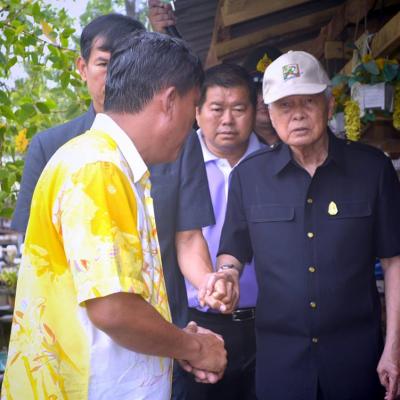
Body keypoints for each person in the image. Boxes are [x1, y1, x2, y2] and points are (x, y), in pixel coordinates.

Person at [10, 13, 238, 399]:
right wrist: (194, 347)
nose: (195, 126)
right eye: (194, 106)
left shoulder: (105, 160)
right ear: (170, 101)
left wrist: (176, 339)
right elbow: (113, 310)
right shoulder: (99, 168)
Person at [217, 50, 400, 400]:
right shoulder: (248, 177)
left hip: (357, 360)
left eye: (308, 101)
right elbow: (233, 251)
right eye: (285, 105)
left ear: (329, 106)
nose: (297, 114)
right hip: (281, 364)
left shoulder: (372, 170)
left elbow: (394, 261)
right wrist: (226, 275)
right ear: (269, 113)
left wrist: (394, 346)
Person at [180, 63, 264, 399]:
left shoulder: (276, 165)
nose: (227, 120)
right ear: (197, 112)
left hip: (270, 323)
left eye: (239, 109)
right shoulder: (175, 164)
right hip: (198, 323)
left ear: (255, 111)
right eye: (217, 109)